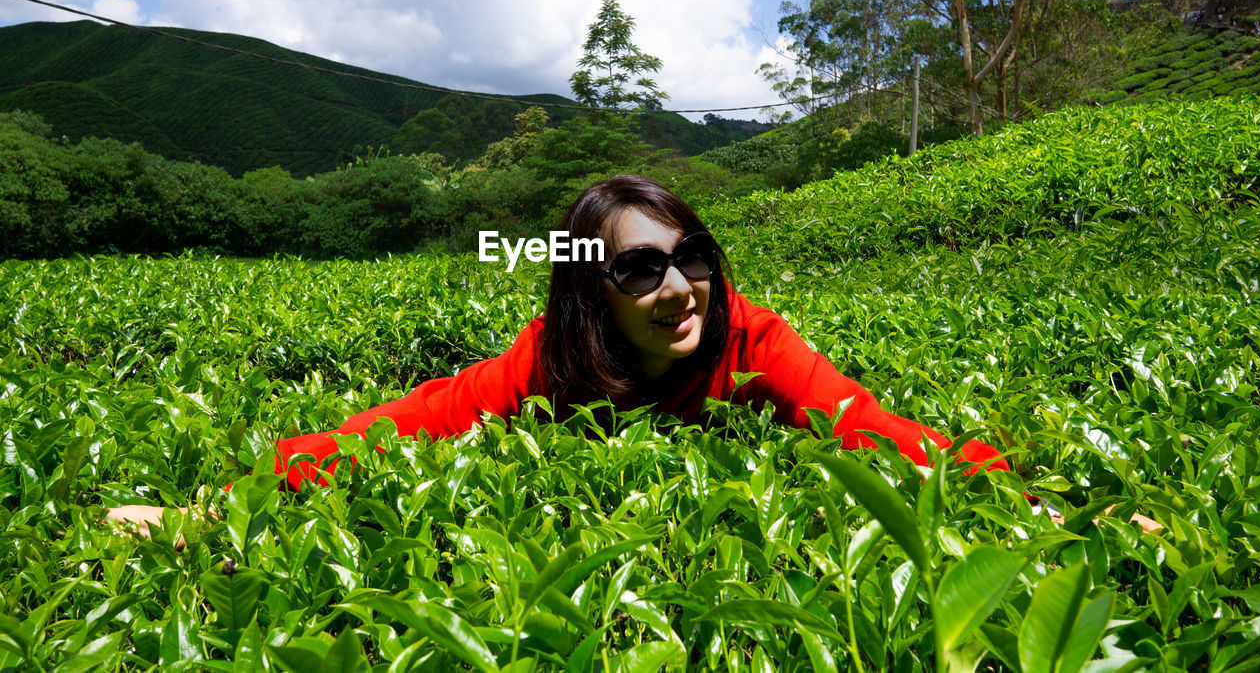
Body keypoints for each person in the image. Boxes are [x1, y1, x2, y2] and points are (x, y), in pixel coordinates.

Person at [107, 174, 1013, 533]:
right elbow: (393, 429)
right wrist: (210, 508)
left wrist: (1039, 504)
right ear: (592, 288)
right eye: (641, 268)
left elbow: (885, 437)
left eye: (692, 257)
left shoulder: (752, 344)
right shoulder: (547, 363)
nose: (679, 288)